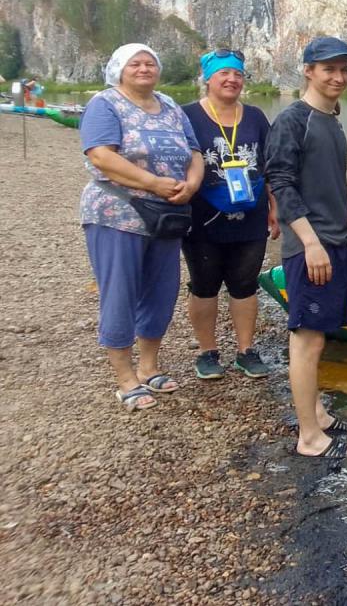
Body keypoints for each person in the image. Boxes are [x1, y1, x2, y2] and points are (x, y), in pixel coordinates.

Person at [80, 44, 204, 411]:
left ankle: (148, 366)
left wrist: (193, 184)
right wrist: (153, 183)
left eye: (151, 62)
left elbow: (194, 152)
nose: (144, 68)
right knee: (120, 291)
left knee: (162, 291)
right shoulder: (105, 104)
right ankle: (124, 378)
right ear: (119, 69)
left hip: (166, 214)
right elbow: (100, 155)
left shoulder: (170, 106)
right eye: (135, 63)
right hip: (118, 212)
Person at [266, 36, 347, 458]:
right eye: (329, 69)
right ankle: (308, 437)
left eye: (344, 69)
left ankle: (319, 414)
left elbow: (330, 187)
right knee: (306, 340)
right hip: (310, 247)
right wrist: (311, 243)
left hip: (334, 241)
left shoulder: (332, 119)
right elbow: (281, 184)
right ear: (308, 70)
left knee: (319, 336)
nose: (339, 77)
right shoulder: (292, 120)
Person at [182, 49, 279, 381]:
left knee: (245, 284)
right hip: (202, 217)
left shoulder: (254, 117)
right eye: (223, 73)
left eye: (238, 74)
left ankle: (245, 350)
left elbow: (269, 165)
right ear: (207, 78)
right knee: (205, 284)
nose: (231, 79)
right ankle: (207, 352)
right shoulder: (188, 116)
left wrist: (274, 207)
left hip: (251, 216)